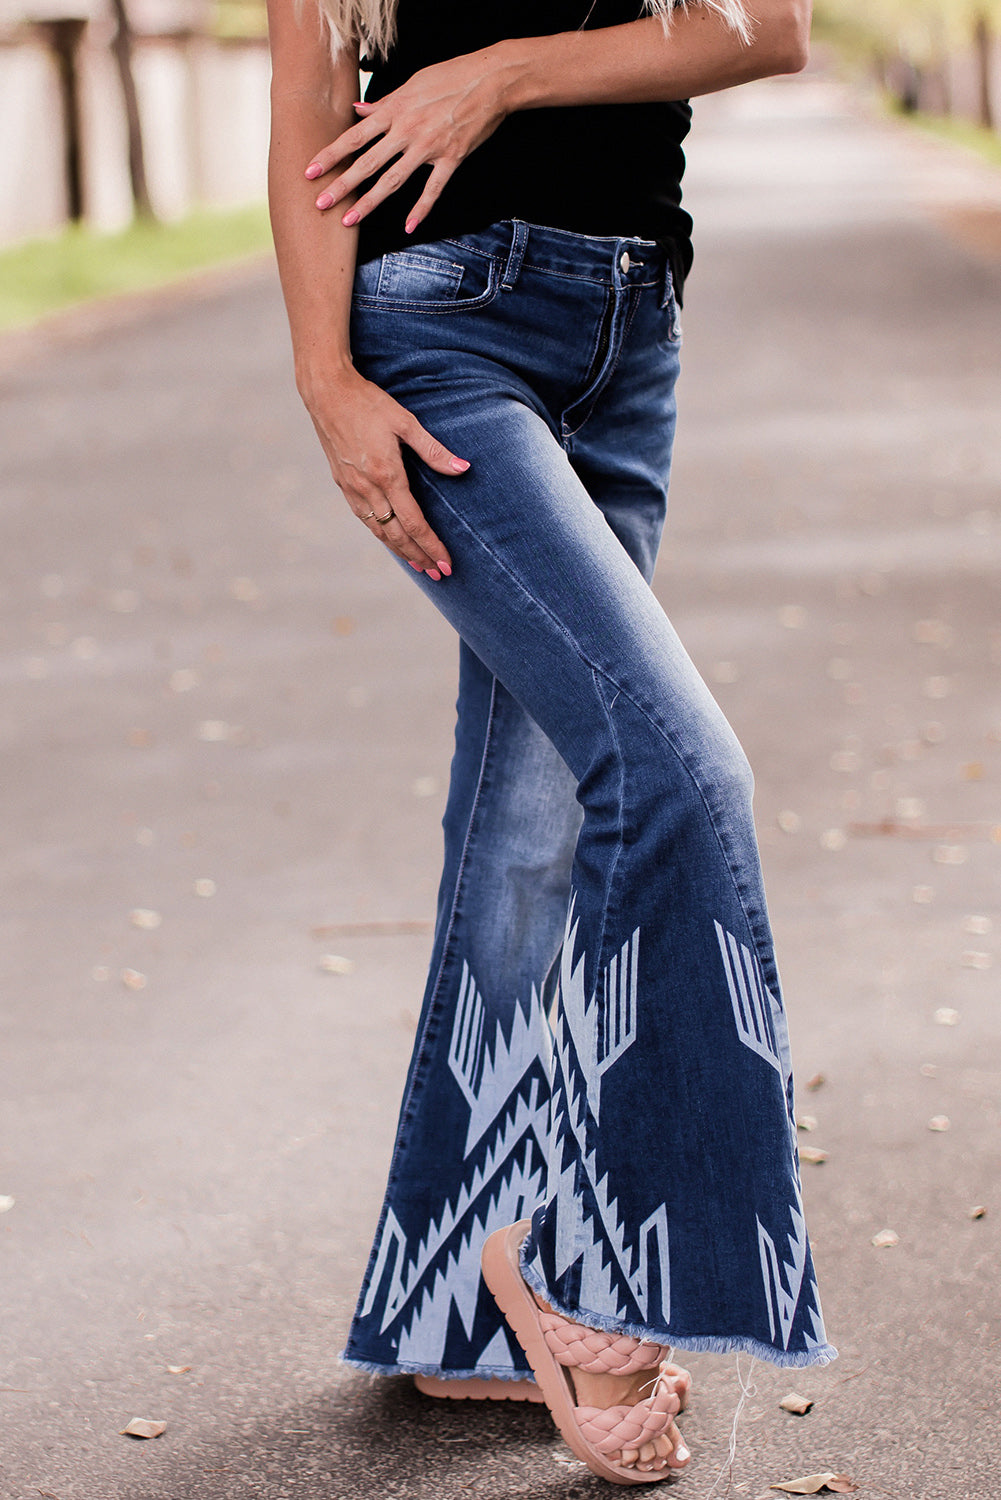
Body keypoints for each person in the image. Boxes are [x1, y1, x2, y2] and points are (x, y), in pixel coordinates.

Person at [266, 0, 836, 1482]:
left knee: (535, 816)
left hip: (628, 329)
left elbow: (766, 28)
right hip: (436, 330)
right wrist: (326, 383)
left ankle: (463, 1297)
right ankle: (593, 1262)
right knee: (677, 770)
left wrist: (500, 73)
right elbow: (311, 103)